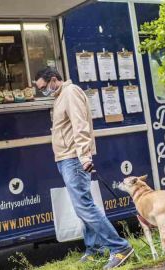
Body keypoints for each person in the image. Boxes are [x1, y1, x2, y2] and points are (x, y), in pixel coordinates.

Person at [34, 67, 134, 269]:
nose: (43, 92)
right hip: (67, 158)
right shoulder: (61, 95)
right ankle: (94, 249)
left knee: (84, 207)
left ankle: (120, 248)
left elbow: (81, 126)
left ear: (54, 79)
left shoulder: (70, 93)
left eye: (44, 87)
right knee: (83, 206)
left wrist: (84, 156)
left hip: (74, 159)